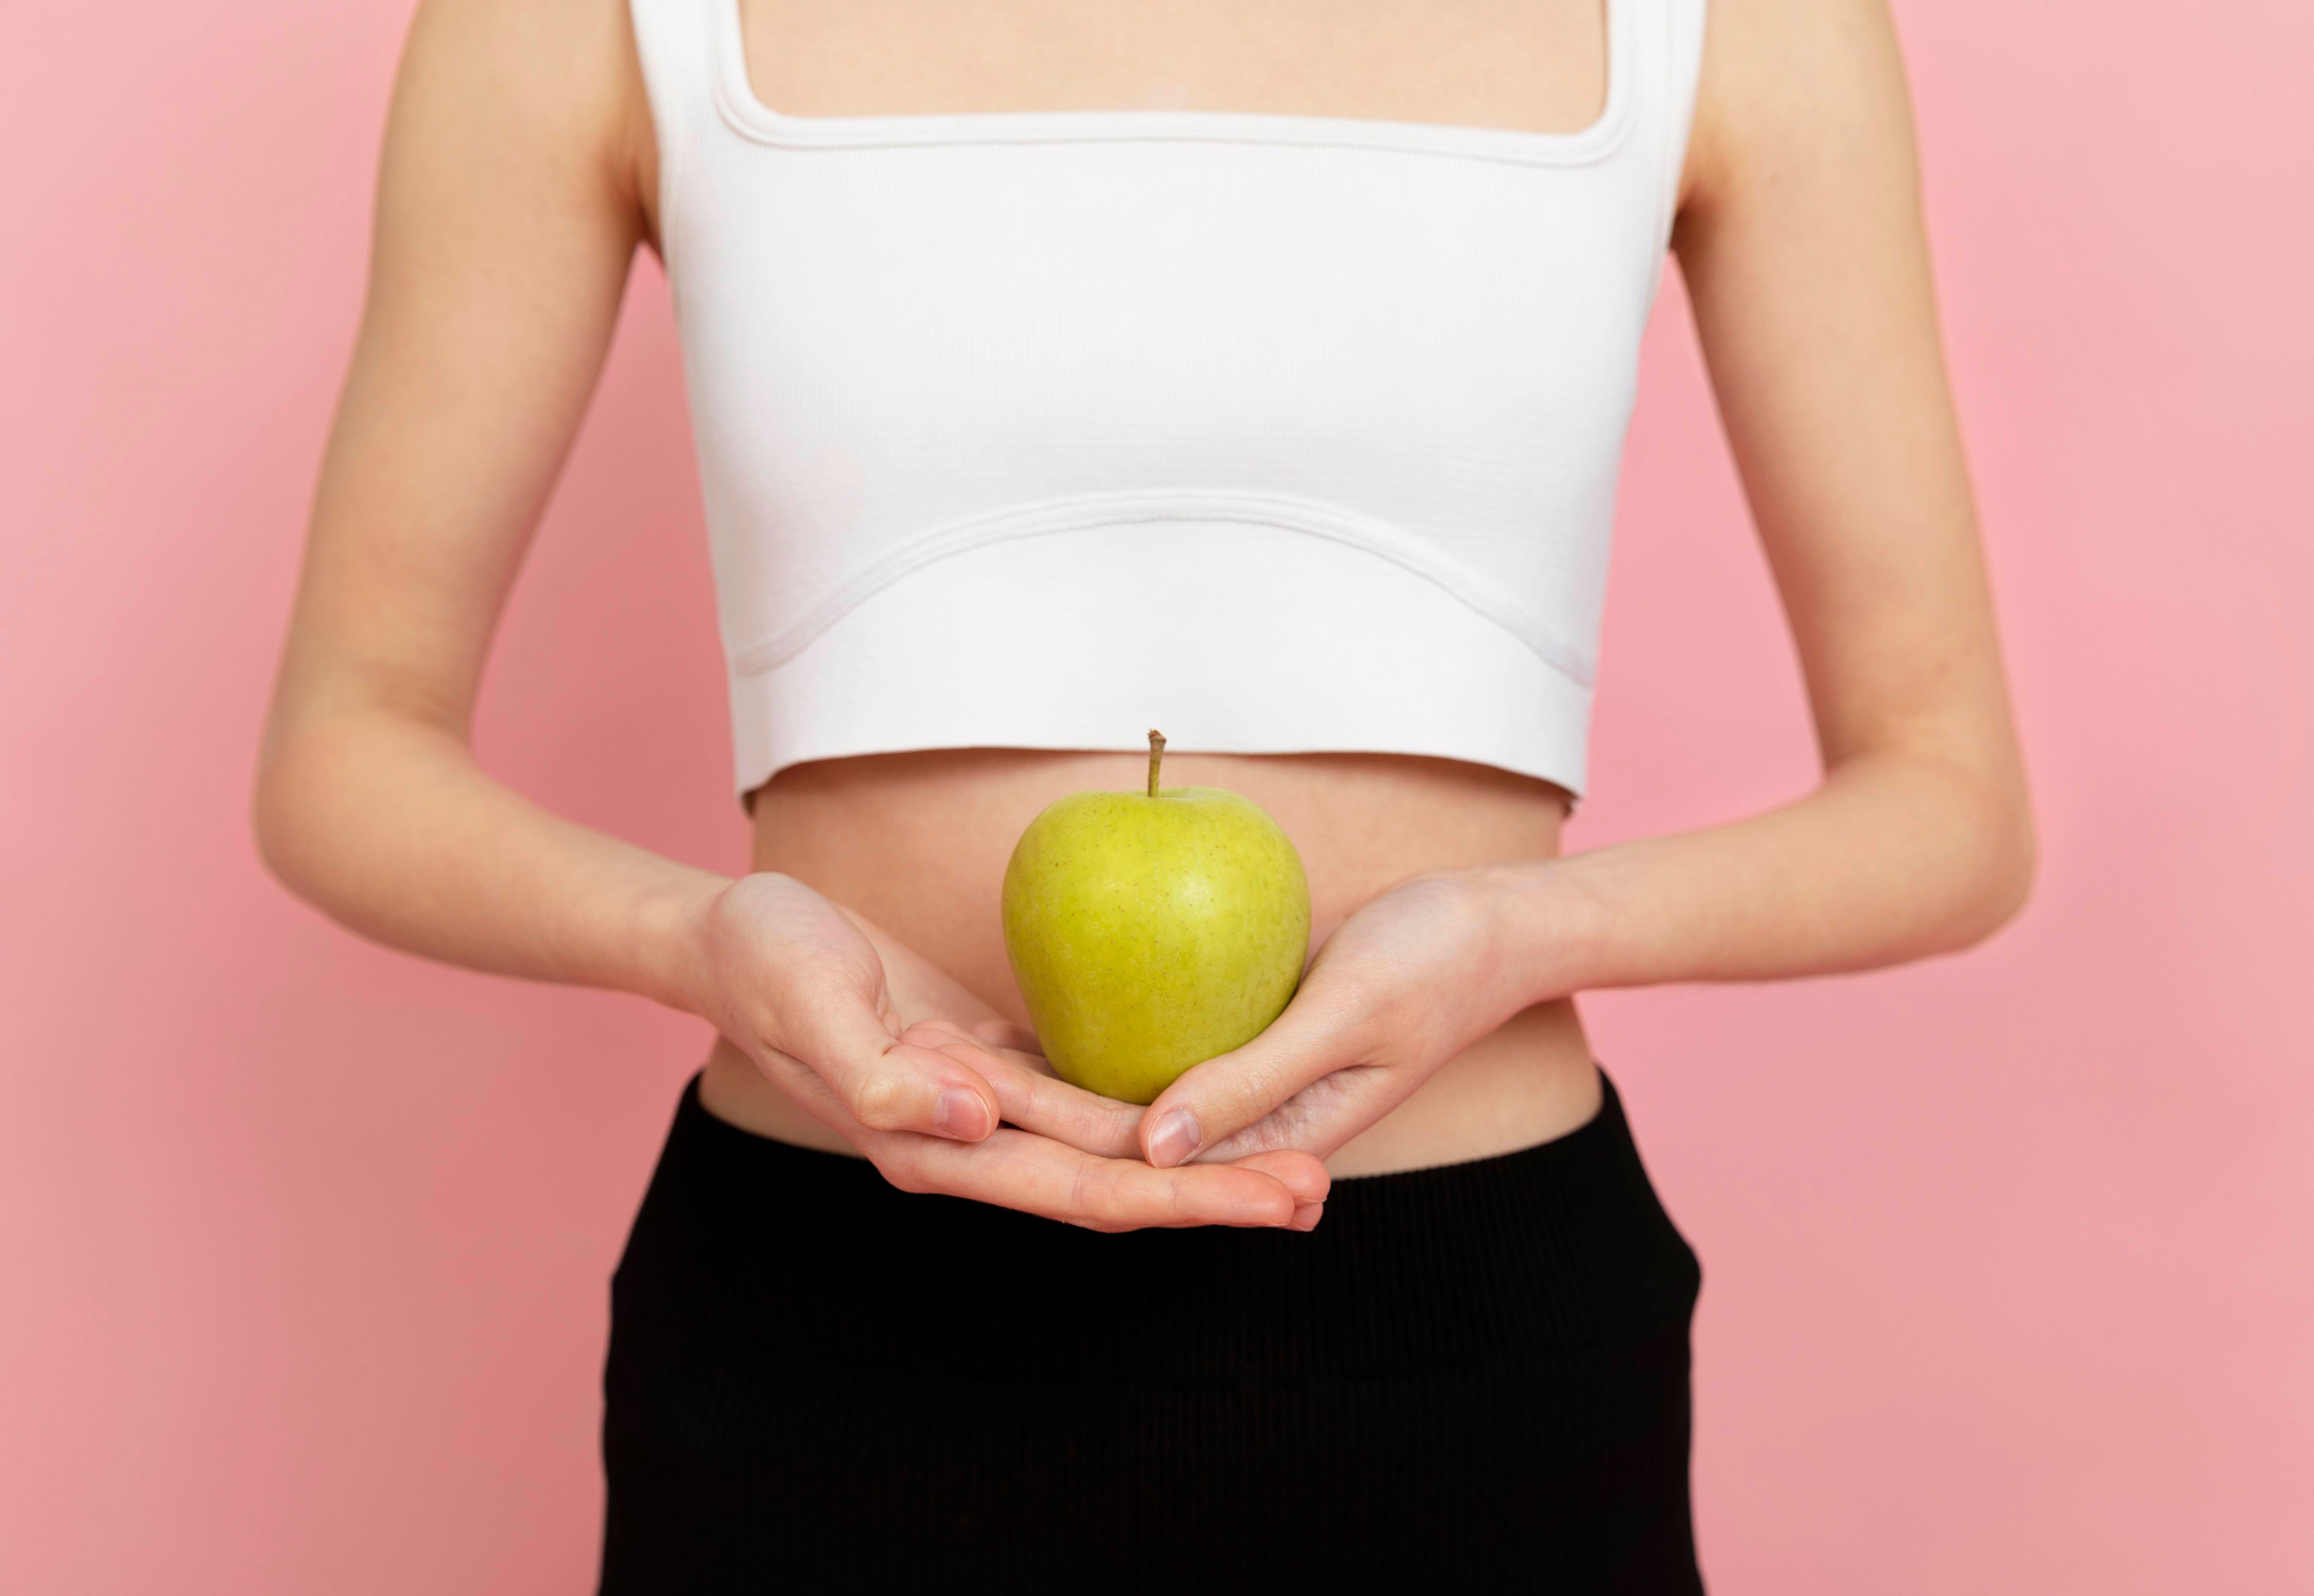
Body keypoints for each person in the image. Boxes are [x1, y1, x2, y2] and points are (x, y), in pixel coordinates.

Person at [256, 0, 2034, 1586]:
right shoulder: (579, 23)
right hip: (833, 1328)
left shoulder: (1742, 23)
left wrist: (1512, 931)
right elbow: (348, 746)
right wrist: (706, 936)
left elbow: (1947, 802)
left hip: (1470, 1347)